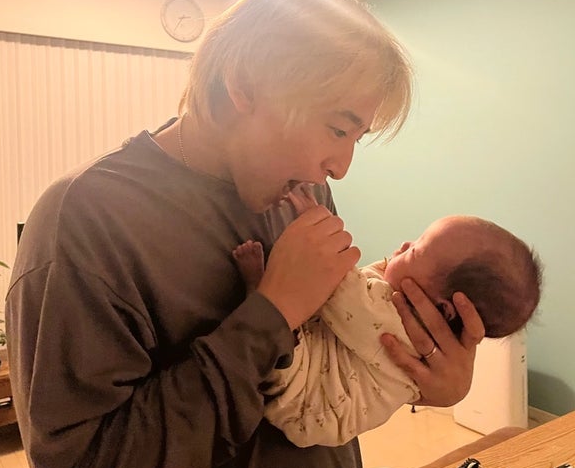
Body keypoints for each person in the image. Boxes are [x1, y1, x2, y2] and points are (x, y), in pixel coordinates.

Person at [5, 0, 487, 468]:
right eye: (337, 128)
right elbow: (85, 463)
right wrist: (271, 313)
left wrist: (423, 375)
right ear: (245, 85)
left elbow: (329, 367)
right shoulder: (82, 220)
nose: (341, 166)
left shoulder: (303, 190)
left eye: (355, 138)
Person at [232, 185, 542, 447]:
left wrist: (315, 223)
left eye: (415, 251)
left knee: (288, 336)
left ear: (446, 308)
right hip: (322, 400)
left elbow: (339, 288)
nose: (405, 244)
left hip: (310, 406)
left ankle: (260, 294)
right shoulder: (414, 320)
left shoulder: (402, 327)